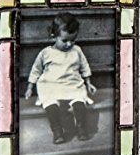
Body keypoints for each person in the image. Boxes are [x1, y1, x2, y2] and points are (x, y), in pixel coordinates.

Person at [25, 13, 97, 144]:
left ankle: (81, 127)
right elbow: (36, 70)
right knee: (51, 104)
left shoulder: (77, 51)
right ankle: (57, 130)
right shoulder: (46, 53)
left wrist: (88, 83)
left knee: (79, 101)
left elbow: (84, 66)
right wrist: (30, 87)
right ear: (53, 36)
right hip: (51, 85)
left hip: (72, 84)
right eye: (64, 40)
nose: (69, 44)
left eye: (73, 40)